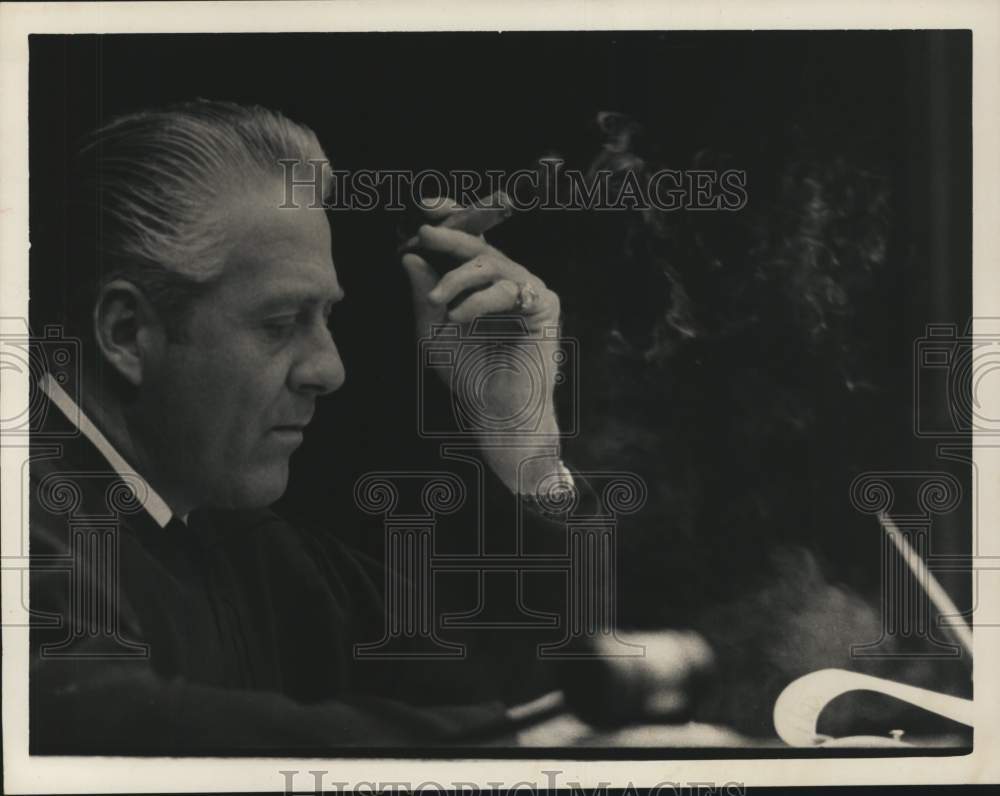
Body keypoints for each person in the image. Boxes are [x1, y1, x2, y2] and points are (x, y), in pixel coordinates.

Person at [29, 100, 576, 753]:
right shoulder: (25, 523)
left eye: (326, 319)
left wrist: (521, 438)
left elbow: (535, 695)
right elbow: (90, 729)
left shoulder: (247, 545)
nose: (330, 370)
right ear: (126, 333)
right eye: (281, 323)